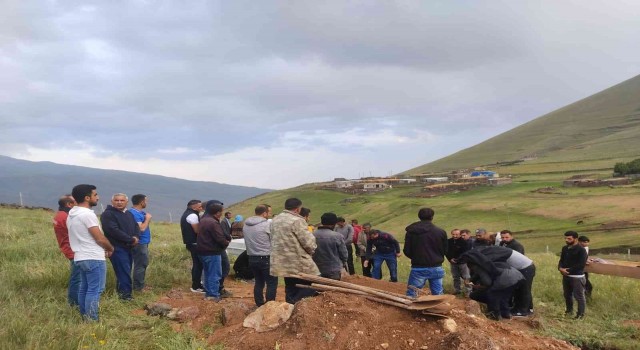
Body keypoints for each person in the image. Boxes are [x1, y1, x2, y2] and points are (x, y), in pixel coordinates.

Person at [67, 184, 114, 321]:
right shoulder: (87, 215)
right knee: (95, 290)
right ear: (87, 198)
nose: (98, 197)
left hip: (79, 256)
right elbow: (99, 237)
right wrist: (110, 248)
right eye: (95, 195)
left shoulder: (72, 214)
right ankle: (92, 320)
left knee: (84, 288)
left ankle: (84, 316)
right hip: (93, 257)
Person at [474, 230, 536, 316]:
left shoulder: (516, 246)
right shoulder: (503, 245)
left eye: (507, 237)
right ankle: (517, 308)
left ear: (512, 236)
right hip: (516, 269)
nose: (504, 239)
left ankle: (525, 310)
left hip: (525, 268)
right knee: (517, 289)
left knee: (524, 289)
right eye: (503, 237)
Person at [270, 198, 320, 304]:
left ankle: (290, 309)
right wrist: (312, 249)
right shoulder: (297, 220)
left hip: (282, 261)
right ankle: (300, 309)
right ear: (297, 209)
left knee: (290, 286)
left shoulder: (275, 220)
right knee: (309, 285)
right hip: (298, 261)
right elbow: (308, 243)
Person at [459, 249, 525, 321]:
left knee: (492, 295)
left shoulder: (478, 266)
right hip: (518, 276)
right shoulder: (486, 261)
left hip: (506, 277)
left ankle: (495, 316)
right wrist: (471, 280)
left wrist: (477, 287)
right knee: (504, 297)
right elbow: (479, 274)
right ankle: (506, 314)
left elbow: (488, 283)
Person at [101, 193, 140, 300]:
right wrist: (131, 239)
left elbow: (136, 226)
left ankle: (122, 293)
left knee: (125, 271)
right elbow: (113, 231)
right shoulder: (108, 214)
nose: (119, 202)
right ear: (112, 201)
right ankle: (126, 297)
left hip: (129, 247)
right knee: (123, 272)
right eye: (116, 200)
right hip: (116, 248)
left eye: (122, 200)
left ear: (127, 202)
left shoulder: (128, 214)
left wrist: (136, 237)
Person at [403, 208, 448, 297]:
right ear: (432, 217)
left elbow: (406, 250)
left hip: (418, 267)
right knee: (438, 294)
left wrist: (416, 257)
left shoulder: (411, 232)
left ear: (419, 217)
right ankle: (438, 309)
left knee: (412, 293)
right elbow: (445, 250)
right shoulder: (441, 232)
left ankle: (410, 310)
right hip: (436, 267)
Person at [243, 204, 278, 307]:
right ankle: (269, 306)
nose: (269, 215)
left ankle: (259, 304)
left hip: (252, 257)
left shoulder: (246, 224)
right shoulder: (267, 225)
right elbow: (274, 240)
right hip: (266, 257)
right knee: (271, 283)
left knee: (259, 282)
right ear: (264, 213)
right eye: (269, 213)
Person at [197, 201, 229, 302]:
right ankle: (213, 295)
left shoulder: (203, 219)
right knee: (215, 274)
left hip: (202, 251)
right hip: (212, 252)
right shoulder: (213, 222)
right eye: (221, 212)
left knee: (207, 273)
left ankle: (209, 294)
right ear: (218, 212)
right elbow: (220, 238)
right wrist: (226, 242)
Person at [53, 194, 81, 306]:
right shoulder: (65, 217)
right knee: (77, 278)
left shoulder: (59, 215)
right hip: (73, 250)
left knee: (77, 277)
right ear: (69, 204)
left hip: (68, 248)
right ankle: (74, 303)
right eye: (75, 201)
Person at [558, 231, 588, 319]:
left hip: (577, 277)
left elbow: (581, 265)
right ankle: (568, 311)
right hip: (566, 276)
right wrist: (560, 268)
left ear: (575, 239)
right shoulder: (565, 248)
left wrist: (567, 270)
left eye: (569, 238)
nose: (566, 240)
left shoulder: (581, 250)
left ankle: (580, 315)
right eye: (565, 238)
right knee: (567, 295)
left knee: (579, 296)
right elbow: (561, 260)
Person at [312, 213, 348, 280]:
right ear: (334, 223)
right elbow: (344, 255)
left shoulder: (312, 235)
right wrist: (342, 264)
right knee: (335, 289)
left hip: (317, 269)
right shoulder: (337, 236)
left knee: (320, 289)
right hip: (334, 270)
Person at [129, 194, 152, 292]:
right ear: (142, 202)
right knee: (141, 264)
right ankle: (139, 288)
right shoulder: (134, 213)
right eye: (146, 201)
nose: (146, 203)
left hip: (143, 242)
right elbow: (141, 228)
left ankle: (139, 285)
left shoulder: (140, 212)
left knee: (142, 264)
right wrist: (147, 219)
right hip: (140, 242)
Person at [180, 199, 205, 293]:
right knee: (198, 264)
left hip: (190, 243)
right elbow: (197, 230)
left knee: (197, 264)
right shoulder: (193, 215)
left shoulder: (187, 213)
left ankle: (197, 284)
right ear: (194, 207)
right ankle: (196, 286)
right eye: (199, 207)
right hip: (194, 243)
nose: (201, 208)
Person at [445, 228, 471, 296]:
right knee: (455, 277)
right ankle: (457, 290)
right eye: (453, 234)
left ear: (460, 234)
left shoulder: (464, 242)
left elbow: (465, 252)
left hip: (463, 262)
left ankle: (469, 292)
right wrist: (450, 259)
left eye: (457, 234)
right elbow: (446, 251)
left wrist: (457, 259)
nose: (455, 236)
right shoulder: (448, 241)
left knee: (466, 277)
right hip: (453, 263)